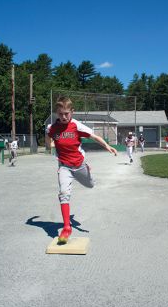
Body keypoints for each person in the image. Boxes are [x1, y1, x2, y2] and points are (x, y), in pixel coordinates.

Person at [46, 96, 117, 244]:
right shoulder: (52, 128)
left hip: (79, 165)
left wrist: (107, 146)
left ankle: (87, 168)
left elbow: (95, 137)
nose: (64, 117)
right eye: (60, 114)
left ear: (72, 111)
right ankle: (66, 227)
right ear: (56, 113)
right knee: (64, 194)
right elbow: (49, 138)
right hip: (64, 166)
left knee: (91, 185)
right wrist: (50, 143)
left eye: (66, 113)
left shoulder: (77, 126)